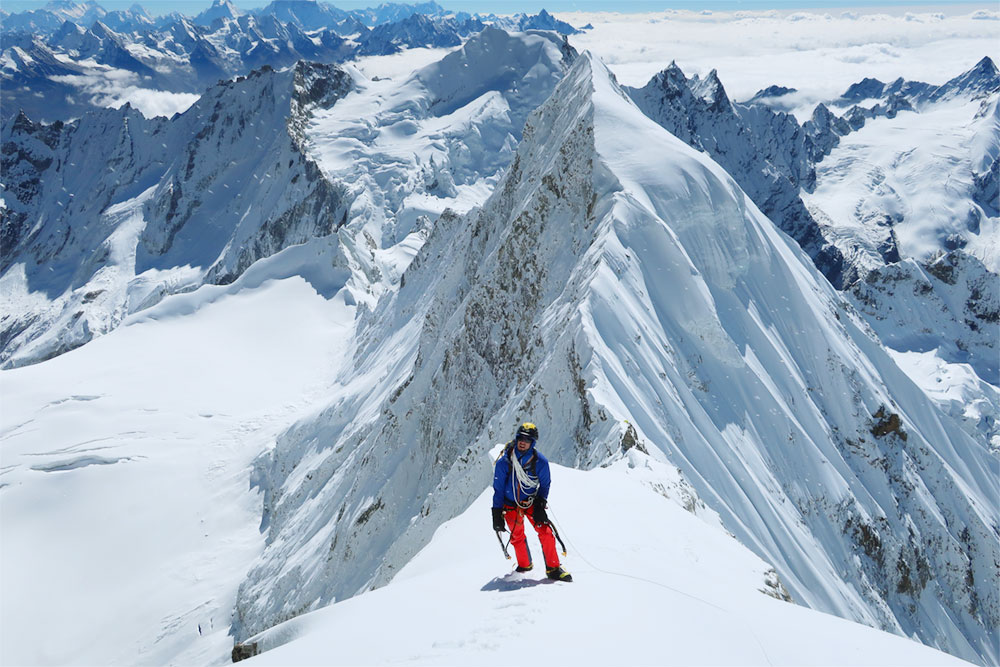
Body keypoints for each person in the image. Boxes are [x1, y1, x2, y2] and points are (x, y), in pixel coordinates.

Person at [491, 422, 572, 582]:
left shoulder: (540, 462)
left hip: (531, 502)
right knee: (516, 535)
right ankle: (524, 564)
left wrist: (541, 502)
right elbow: (498, 489)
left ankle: (554, 568)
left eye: (527, 439)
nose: (523, 442)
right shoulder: (505, 462)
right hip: (510, 503)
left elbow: (545, 483)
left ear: (532, 443)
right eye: (520, 438)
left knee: (546, 532)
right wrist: (496, 512)